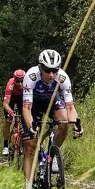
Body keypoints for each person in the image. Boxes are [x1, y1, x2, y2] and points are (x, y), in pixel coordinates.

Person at [21, 49, 81, 179]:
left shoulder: (63, 77)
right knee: (30, 147)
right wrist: (31, 126)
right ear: (40, 68)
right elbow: (26, 107)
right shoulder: (31, 76)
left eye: (55, 70)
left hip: (52, 101)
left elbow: (70, 107)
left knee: (64, 122)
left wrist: (75, 124)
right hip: (33, 104)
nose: (51, 75)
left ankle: (53, 154)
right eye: (47, 70)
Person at [1, 68, 26, 156]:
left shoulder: (28, 84)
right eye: (17, 81)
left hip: (22, 98)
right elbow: (5, 103)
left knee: (25, 119)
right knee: (8, 121)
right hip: (11, 99)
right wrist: (11, 112)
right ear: (14, 80)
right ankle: (5, 146)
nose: (20, 84)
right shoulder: (10, 84)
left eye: (22, 81)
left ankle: (24, 144)